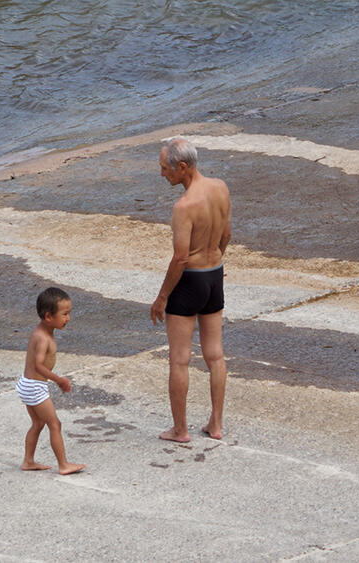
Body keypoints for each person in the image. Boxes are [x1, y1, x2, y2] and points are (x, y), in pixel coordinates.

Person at [150, 138, 231, 442]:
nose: (162, 174)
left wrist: (161, 298)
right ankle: (216, 424)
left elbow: (181, 257)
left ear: (182, 167)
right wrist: (214, 260)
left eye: (165, 169)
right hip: (214, 275)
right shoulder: (220, 187)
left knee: (180, 359)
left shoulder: (184, 206)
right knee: (215, 355)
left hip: (190, 281)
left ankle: (180, 429)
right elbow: (226, 234)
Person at [17, 287, 86, 475]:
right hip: (35, 387)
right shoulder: (42, 338)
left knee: (38, 424)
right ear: (49, 317)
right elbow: (38, 365)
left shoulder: (43, 331)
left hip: (28, 384)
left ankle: (28, 461)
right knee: (55, 424)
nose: (68, 318)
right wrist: (59, 380)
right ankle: (63, 465)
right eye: (64, 314)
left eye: (69, 313)